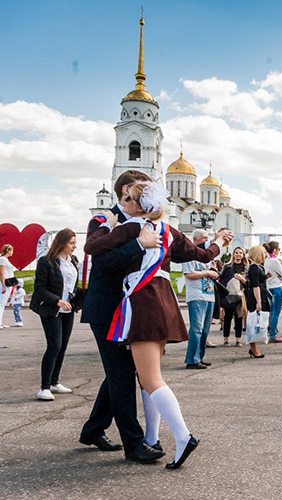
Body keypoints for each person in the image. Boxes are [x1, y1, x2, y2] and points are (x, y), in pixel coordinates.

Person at [84, 180, 232, 469]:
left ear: (137, 204)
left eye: (126, 199)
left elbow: (92, 248)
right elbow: (201, 255)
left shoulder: (131, 227)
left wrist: (110, 226)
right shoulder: (168, 230)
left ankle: (182, 436)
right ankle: (150, 437)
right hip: (166, 301)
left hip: (143, 303)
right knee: (143, 375)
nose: (122, 203)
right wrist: (218, 243)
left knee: (150, 379)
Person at [79, 170, 165, 463]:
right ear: (127, 189)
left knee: (120, 372)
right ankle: (134, 443)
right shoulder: (103, 220)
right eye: (144, 188)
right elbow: (101, 263)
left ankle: (93, 429)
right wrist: (139, 244)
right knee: (122, 375)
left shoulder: (142, 221)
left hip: (127, 308)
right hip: (106, 307)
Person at [30, 229, 80, 401]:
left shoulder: (72, 261)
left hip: (68, 310)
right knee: (54, 346)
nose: (75, 246)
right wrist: (57, 300)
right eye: (72, 243)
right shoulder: (46, 261)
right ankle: (44, 387)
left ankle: (54, 383)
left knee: (63, 347)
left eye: (75, 243)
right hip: (52, 310)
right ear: (62, 242)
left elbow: (72, 287)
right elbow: (40, 288)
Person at [183, 229, 220, 369]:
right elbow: (189, 274)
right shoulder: (189, 255)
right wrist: (207, 272)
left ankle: (199, 356)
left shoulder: (206, 257)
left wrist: (213, 272)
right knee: (196, 329)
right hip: (197, 296)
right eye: (204, 239)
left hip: (209, 295)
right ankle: (192, 360)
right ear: (195, 240)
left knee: (205, 330)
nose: (207, 241)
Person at [219, 247, 249, 347]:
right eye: (236, 252)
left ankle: (238, 339)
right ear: (233, 254)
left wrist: (241, 279)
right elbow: (221, 279)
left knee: (239, 317)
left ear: (243, 255)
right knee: (227, 317)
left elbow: (249, 283)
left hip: (240, 296)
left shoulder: (246, 268)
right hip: (229, 295)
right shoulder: (228, 267)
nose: (238, 254)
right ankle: (226, 339)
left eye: (240, 253)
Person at [245, 245, 268, 359]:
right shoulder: (254, 268)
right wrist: (258, 301)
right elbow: (255, 286)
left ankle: (253, 347)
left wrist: (266, 276)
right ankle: (253, 348)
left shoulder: (259, 267)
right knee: (254, 322)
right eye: (263, 252)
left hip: (260, 295)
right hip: (255, 297)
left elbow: (260, 280)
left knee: (257, 321)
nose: (265, 254)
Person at [263, 241, 282, 343]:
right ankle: (273, 334)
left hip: (269, 287)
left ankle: (272, 331)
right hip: (277, 287)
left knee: (271, 312)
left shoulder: (266, 260)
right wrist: (280, 276)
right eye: (278, 249)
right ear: (275, 250)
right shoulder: (275, 261)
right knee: (276, 312)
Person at [0, 244, 16, 329]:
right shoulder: (2, 259)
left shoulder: (6, 260)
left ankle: (1, 322)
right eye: (12, 251)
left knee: (3, 303)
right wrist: (3, 285)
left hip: (8, 283)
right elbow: (1, 273)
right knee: (1, 303)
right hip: (4, 283)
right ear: (8, 251)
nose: (12, 252)